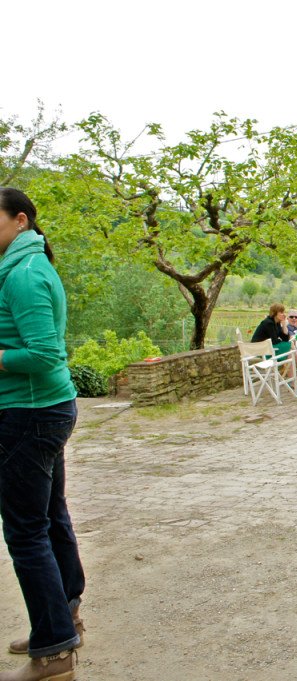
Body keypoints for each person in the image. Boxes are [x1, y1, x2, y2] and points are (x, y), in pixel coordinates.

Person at [0, 188, 84, 680]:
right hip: (43, 410)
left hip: (30, 413)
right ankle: (64, 615)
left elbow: (45, 354)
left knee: (26, 530)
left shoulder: (26, 275)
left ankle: (54, 648)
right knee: (50, 517)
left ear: (20, 220)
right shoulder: (22, 268)